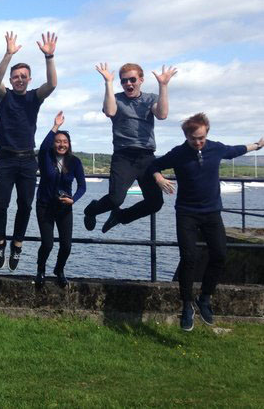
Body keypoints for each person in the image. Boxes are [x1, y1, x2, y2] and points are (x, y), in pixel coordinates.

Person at [149, 113, 263, 331]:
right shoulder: (178, 153)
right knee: (189, 258)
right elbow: (154, 165)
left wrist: (257, 145)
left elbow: (235, 150)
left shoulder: (216, 148)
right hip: (186, 213)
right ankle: (187, 306)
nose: (198, 142)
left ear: (207, 133)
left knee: (220, 255)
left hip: (212, 213)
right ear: (186, 136)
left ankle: (205, 298)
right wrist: (159, 178)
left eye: (201, 138)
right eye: (193, 139)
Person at [83, 63, 177, 234]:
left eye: (132, 79)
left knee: (155, 203)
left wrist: (163, 85)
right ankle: (91, 210)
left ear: (141, 80)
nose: (128, 84)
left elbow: (162, 114)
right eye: (124, 81)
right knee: (115, 199)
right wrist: (108, 83)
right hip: (123, 156)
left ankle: (121, 216)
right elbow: (110, 111)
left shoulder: (150, 99)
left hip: (146, 157)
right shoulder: (116, 99)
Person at [0, 31, 58, 271]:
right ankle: (0, 242)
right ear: (11, 79)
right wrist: (8, 54)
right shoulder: (4, 96)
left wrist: (49, 57)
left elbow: (52, 84)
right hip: (6, 158)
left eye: (23, 76)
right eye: (16, 76)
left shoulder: (34, 97)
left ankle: (17, 243)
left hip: (28, 159)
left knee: (25, 205)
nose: (19, 79)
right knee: (1, 203)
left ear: (29, 79)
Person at [34, 111, 86, 289]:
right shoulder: (45, 157)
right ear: (53, 143)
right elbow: (43, 146)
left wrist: (74, 200)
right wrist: (55, 126)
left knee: (66, 245)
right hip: (45, 206)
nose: (61, 144)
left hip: (64, 207)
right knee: (47, 244)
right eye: (58, 141)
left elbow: (82, 186)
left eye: (65, 142)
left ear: (69, 144)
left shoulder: (75, 162)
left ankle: (59, 270)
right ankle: (40, 270)